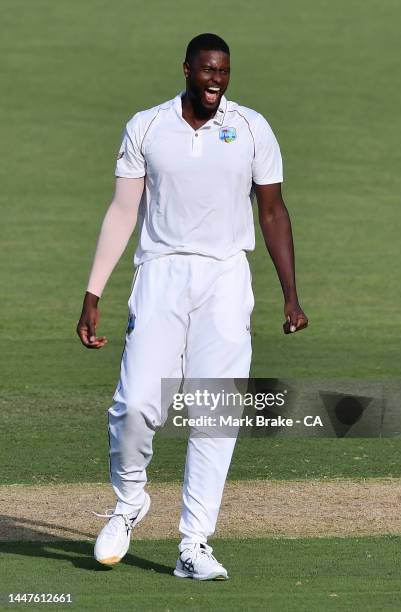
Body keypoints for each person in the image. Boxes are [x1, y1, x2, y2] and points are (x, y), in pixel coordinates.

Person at [76, 32, 308, 581]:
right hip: (160, 272)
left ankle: (194, 543)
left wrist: (291, 295)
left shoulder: (252, 128)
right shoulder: (148, 126)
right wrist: (93, 292)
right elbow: (122, 211)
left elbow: (272, 213)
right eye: (206, 70)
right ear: (186, 68)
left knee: (216, 411)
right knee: (134, 404)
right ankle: (130, 501)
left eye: (224, 72)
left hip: (226, 277)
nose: (215, 81)